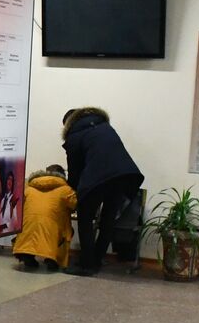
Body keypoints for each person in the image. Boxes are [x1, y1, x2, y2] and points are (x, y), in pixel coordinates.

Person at [60, 107, 145, 276]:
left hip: (98, 178)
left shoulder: (74, 135)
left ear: (68, 124)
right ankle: (96, 259)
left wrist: (76, 193)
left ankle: (87, 264)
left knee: (85, 219)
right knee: (108, 220)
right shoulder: (104, 126)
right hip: (122, 176)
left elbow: (75, 171)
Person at [12, 165, 77, 271]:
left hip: (27, 228)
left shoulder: (29, 188)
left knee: (30, 224)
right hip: (51, 230)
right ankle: (53, 259)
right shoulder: (66, 190)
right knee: (67, 229)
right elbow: (75, 205)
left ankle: (27, 255)